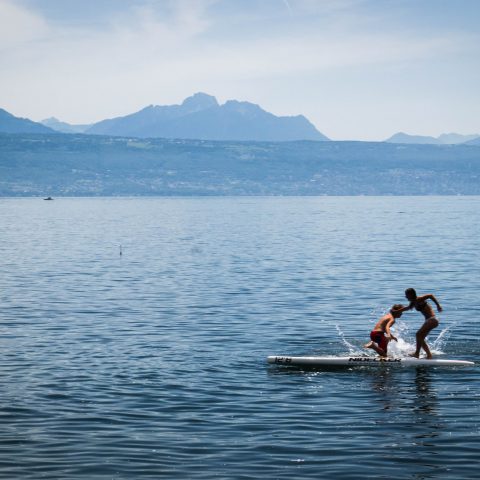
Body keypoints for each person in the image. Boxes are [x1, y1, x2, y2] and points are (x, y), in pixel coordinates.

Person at [398, 288, 443, 359]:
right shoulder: (413, 302)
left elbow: (430, 295)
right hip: (430, 321)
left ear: (411, 295)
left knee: (418, 335)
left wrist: (438, 305)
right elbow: (408, 308)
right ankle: (429, 355)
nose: (406, 297)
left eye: (406, 295)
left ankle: (417, 354)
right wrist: (397, 311)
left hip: (432, 320)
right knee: (420, 338)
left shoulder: (419, 299)